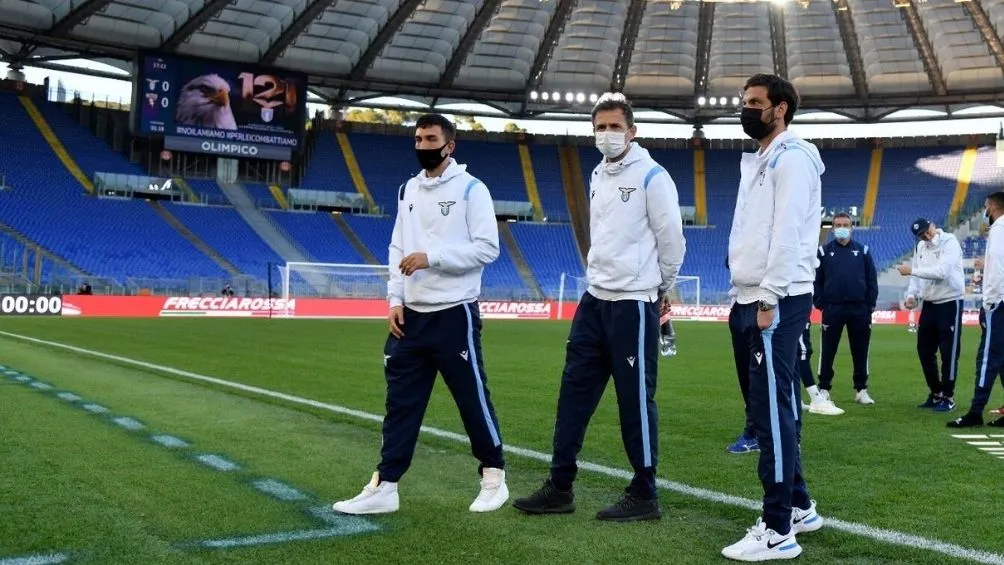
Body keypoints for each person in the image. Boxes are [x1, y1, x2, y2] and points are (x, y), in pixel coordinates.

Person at [512, 93, 685, 522]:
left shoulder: (653, 177)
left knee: (634, 400)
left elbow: (673, 242)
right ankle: (560, 486)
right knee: (573, 394)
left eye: (614, 126)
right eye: (600, 127)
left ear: (632, 131)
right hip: (593, 301)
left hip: (632, 304)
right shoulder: (597, 173)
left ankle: (645, 493)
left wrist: (658, 288)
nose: (606, 134)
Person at [332, 114, 508, 515]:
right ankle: (385, 486)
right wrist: (394, 298)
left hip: (452, 313)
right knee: (401, 404)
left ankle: (493, 477)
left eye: (430, 138)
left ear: (450, 145)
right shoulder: (408, 189)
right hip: (409, 316)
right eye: (417, 138)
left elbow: (488, 248)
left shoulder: (471, 190)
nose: (423, 144)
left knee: (470, 399)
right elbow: (397, 246)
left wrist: (434, 258)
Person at [721, 74, 823, 562]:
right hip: (751, 295)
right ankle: (799, 504)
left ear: (779, 109)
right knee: (769, 407)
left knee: (773, 412)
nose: (746, 109)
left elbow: (786, 236)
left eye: (755, 103)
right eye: (745, 102)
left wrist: (768, 299)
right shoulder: (762, 159)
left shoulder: (793, 158)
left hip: (773, 299)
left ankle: (779, 528)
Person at [897, 217, 965, 412]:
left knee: (949, 352)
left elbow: (942, 272)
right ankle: (936, 393)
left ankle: (948, 396)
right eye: (922, 235)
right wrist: (912, 296)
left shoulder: (950, 242)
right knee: (924, 350)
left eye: (927, 231)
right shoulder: (920, 248)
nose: (926, 236)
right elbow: (917, 280)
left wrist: (912, 270)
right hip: (929, 304)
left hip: (950, 302)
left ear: (933, 225)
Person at [948, 192, 1004, 428]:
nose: (984, 212)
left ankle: (975, 411)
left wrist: (990, 301)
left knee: (987, 359)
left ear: (992, 206)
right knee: (1002, 361)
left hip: (998, 304)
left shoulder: (999, 229)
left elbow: (999, 268)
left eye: (985, 207)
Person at [812, 212, 878, 410]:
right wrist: (820, 303)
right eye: (838, 224)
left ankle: (861, 390)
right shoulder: (823, 252)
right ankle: (824, 389)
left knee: (861, 350)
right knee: (828, 350)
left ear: (851, 227)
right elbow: (817, 280)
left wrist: (869, 305)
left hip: (859, 309)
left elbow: (871, 280)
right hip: (832, 309)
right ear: (832, 228)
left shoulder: (863, 251)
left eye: (845, 224)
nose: (841, 227)